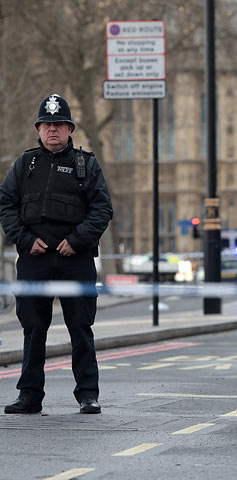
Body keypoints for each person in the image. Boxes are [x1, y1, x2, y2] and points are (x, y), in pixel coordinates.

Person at [0, 94, 113, 414]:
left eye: (59, 125)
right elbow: (6, 204)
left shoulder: (86, 164)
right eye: (47, 125)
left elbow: (102, 209)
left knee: (80, 328)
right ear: (38, 129)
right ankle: (29, 395)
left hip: (74, 260)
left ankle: (88, 393)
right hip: (34, 259)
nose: (52, 130)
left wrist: (76, 241)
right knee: (33, 328)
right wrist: (24, 238)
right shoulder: (25, 164)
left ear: (69, 129)